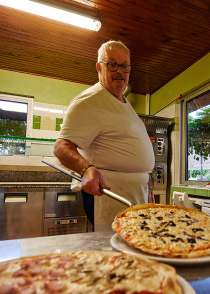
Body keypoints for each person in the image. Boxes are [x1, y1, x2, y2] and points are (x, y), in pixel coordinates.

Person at [54, 40, 154, 232]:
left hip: (135, 194)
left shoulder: (124, 103)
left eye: (125, 66)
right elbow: (61, 147)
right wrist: (87, 169)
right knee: (113, 252)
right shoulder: (90, 100)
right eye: (113, 64)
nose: (120, 71)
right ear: (99, 68)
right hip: (109, 196)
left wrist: (145, 184)